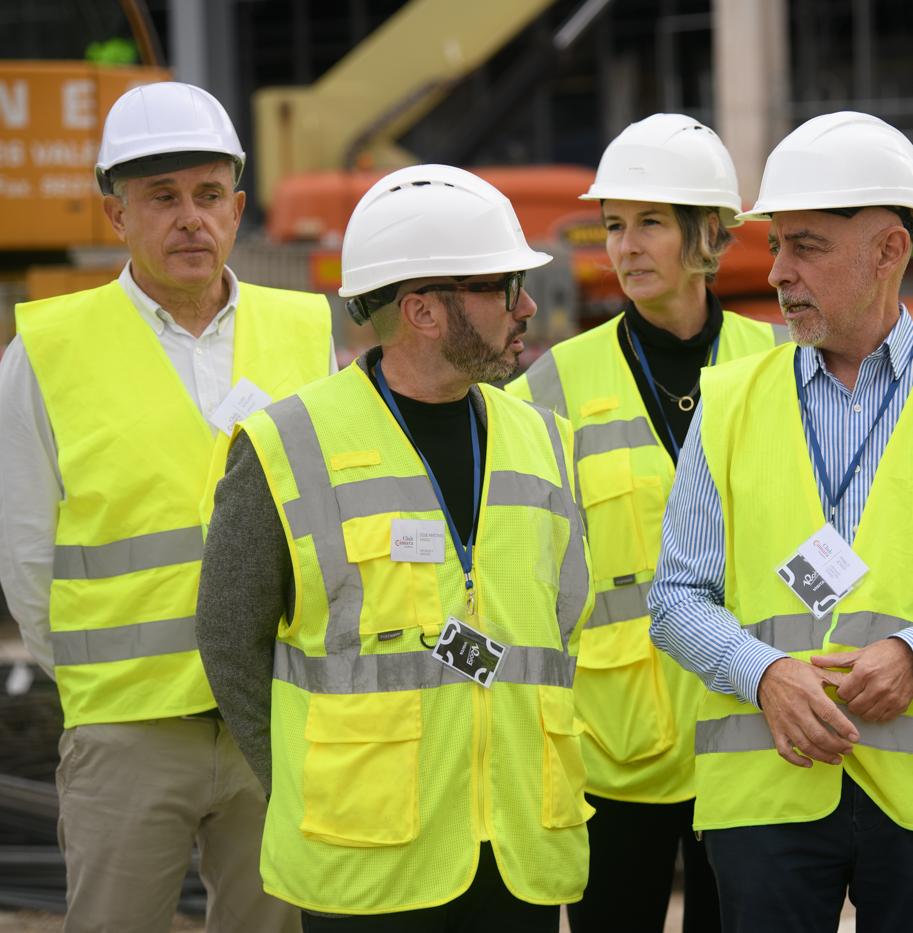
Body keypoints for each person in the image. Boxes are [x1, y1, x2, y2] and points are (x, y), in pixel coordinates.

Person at [647, 112, 913, 933]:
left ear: (887, 251)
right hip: (765, 789)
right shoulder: (727, 399)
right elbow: (676, 595)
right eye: (775, 246)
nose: (775, 273)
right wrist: (763, 673)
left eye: (804, 246)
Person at [195, 164, 593, 930]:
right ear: (423, 311)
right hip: (365, 858)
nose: (529, 308)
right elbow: (227, 637)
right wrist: (307, 778)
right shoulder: (287, 444)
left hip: (515, 850)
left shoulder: (543, 438)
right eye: (505, 288)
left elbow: (561, 619)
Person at [0, 82, 330, 933]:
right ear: (117, 214)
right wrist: (100, 680)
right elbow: (27, 553)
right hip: (128, 728)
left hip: (275, 710)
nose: (190, 219)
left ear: (238, 206)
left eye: (208, 195)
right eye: (162, 198)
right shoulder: (47, 352)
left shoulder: (306, 332)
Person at [507, 113, 785, 933]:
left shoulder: (778, 367)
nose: (625, 247)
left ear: (708, 236)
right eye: (614, 226)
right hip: (609, 744)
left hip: (749, 728)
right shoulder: (554, 383)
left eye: (651, 224)